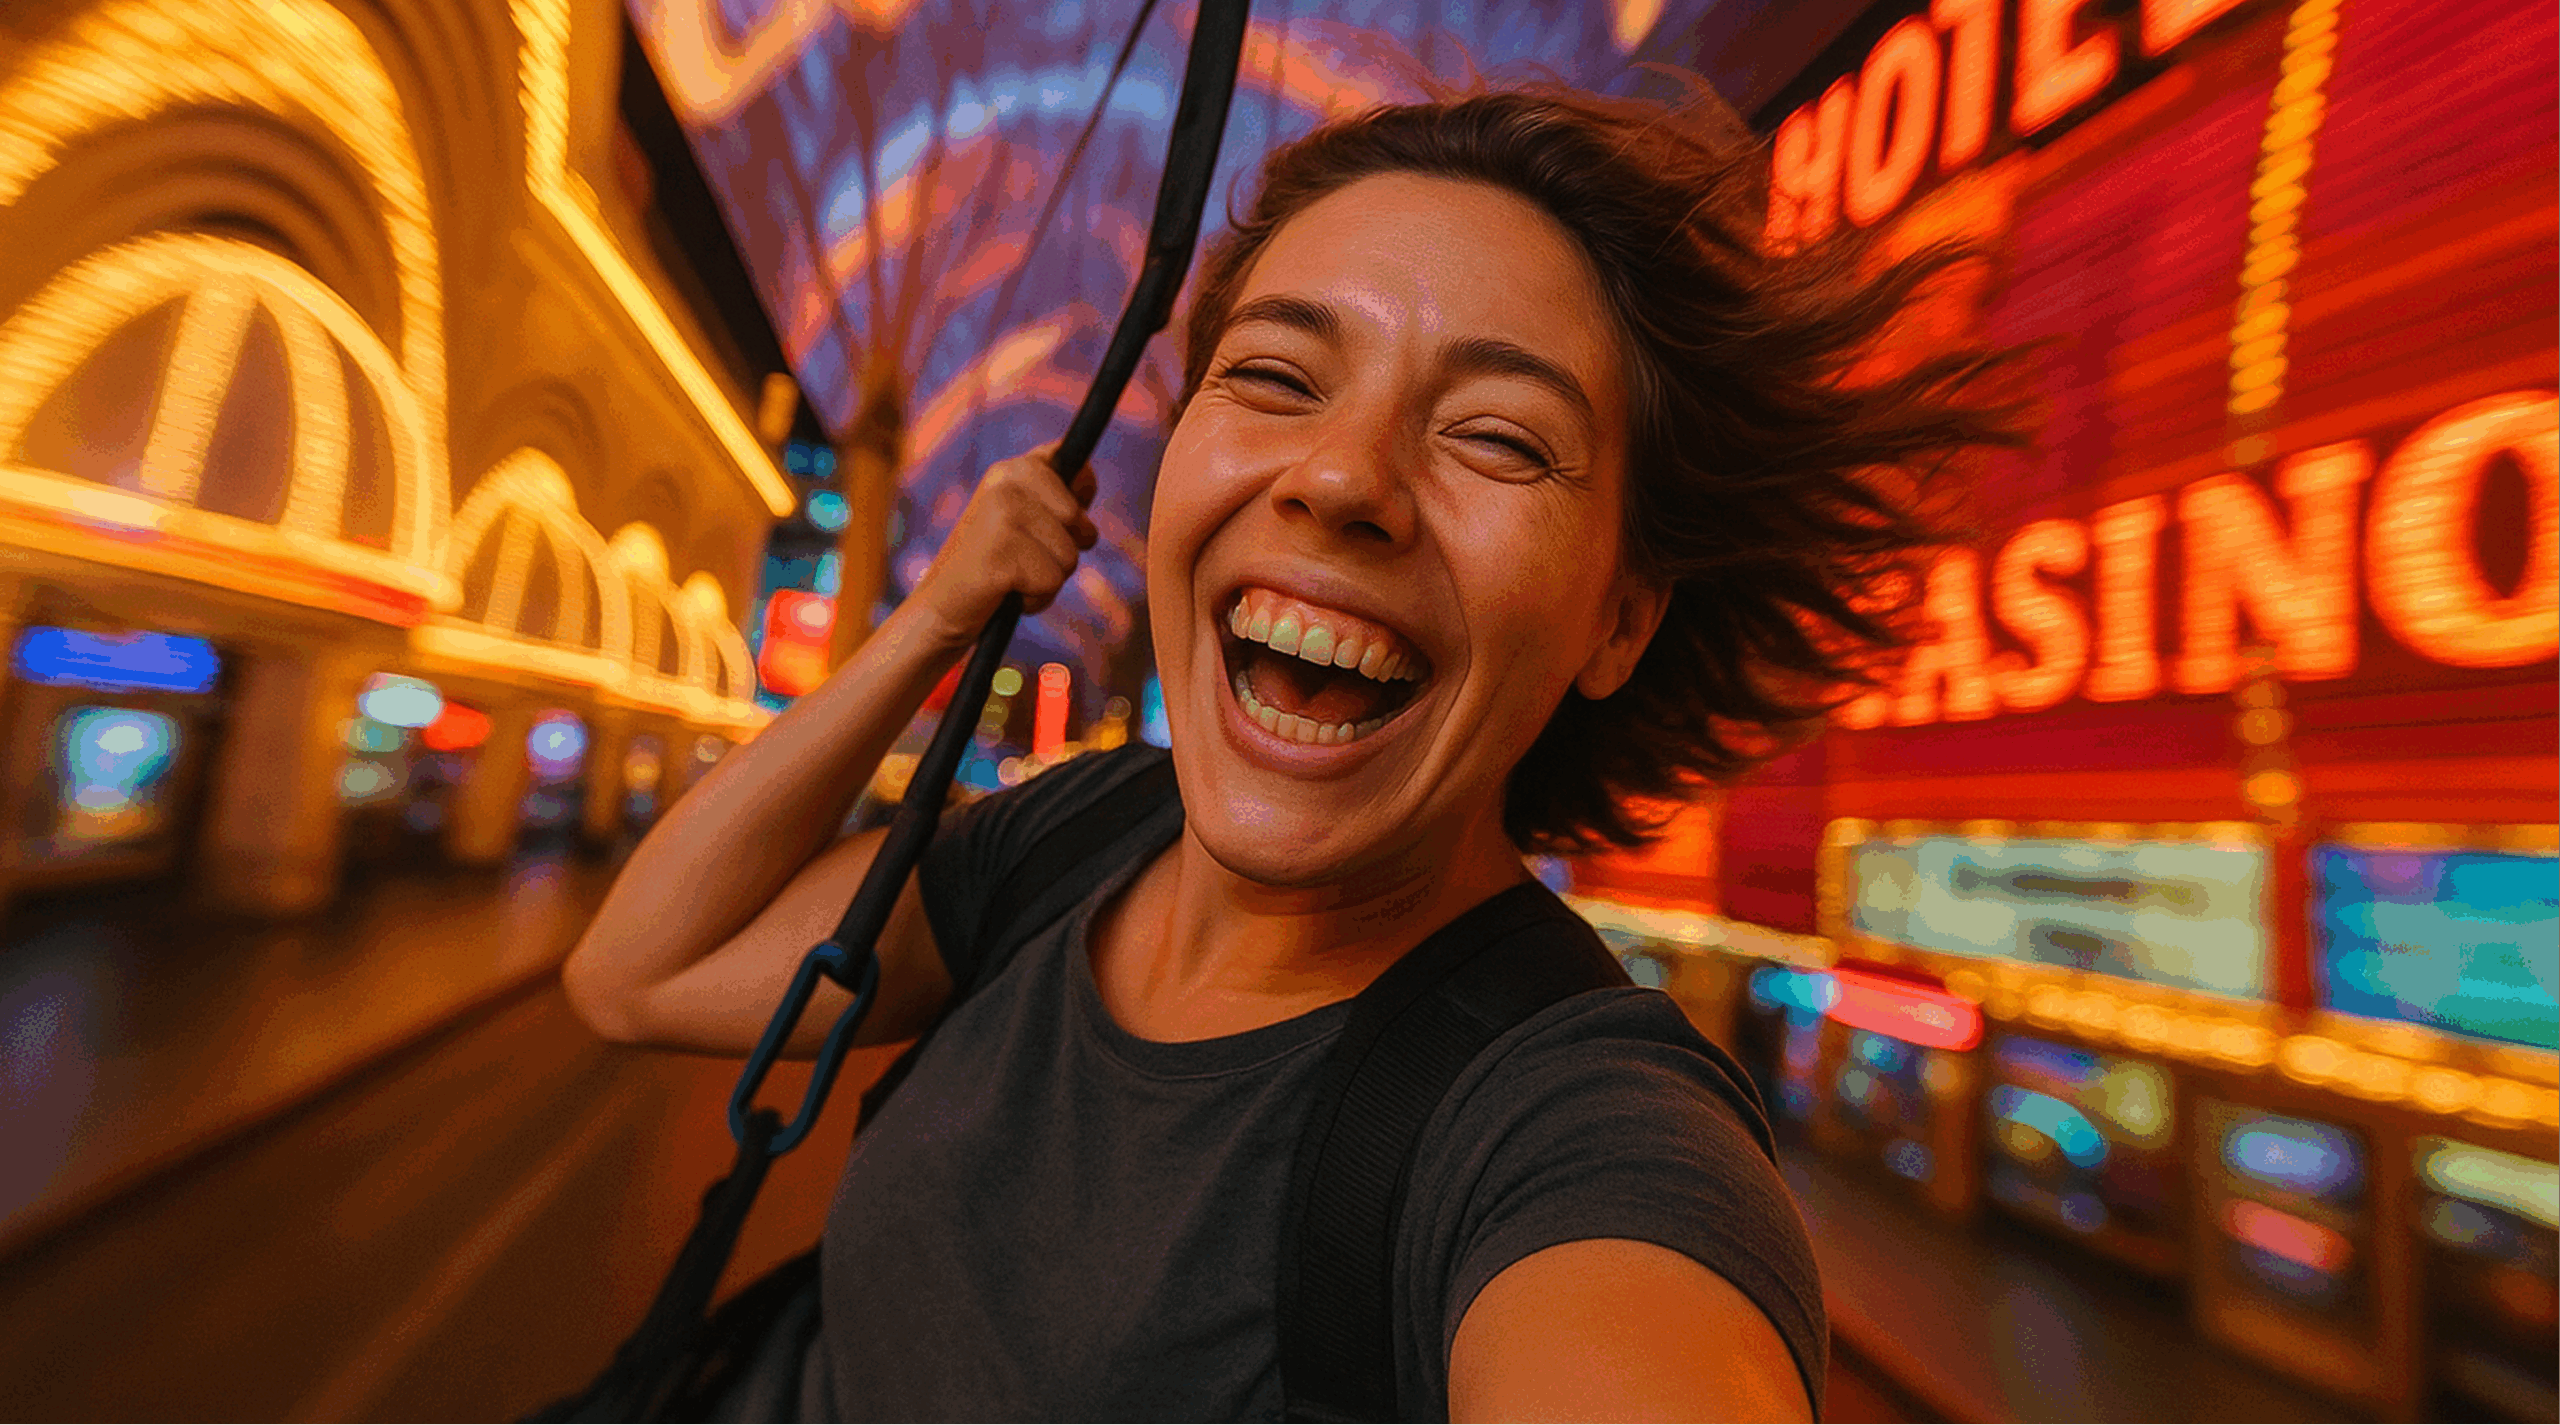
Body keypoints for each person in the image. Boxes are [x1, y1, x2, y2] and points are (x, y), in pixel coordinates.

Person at [562, 81, 2028, 1423]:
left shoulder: (1577, 1129)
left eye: (1504, 440)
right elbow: (638, 973)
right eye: (1273, 376)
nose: (1340, 478)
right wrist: (933, 615)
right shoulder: (1074, 834)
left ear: (1618, 621)